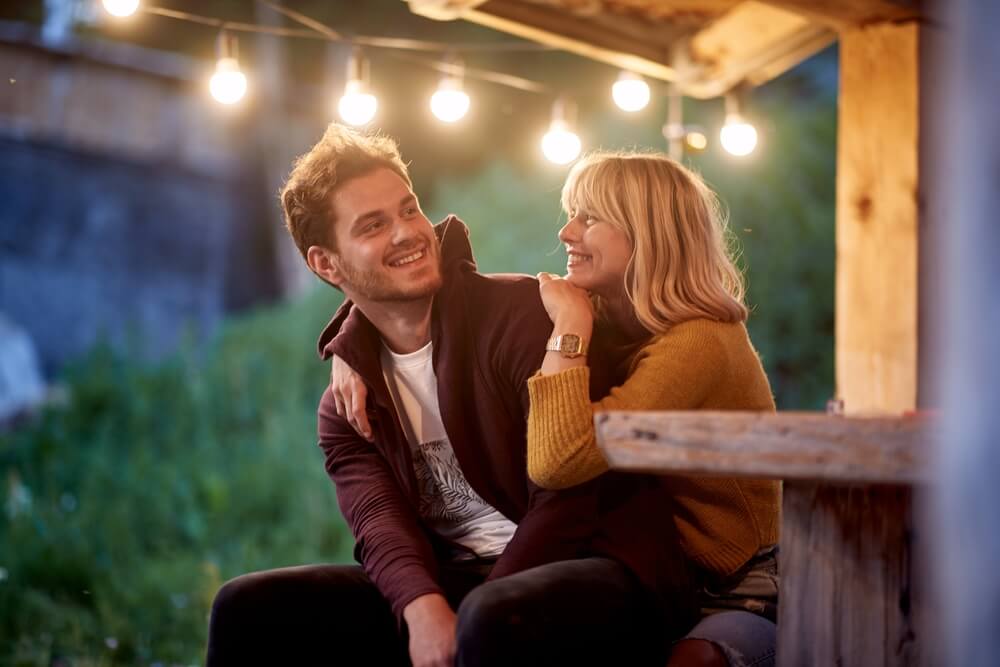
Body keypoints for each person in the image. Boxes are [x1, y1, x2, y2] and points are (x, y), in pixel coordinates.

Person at [205, 126, 695, 667]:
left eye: (408, 209)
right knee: (248, 608)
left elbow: (568, 501)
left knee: (493, 619)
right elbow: (379, 523)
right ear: (326, 264)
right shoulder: (345, 403)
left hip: (599, 567)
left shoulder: (526, 319)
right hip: (458, 581)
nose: (407, 232)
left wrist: (467, 621)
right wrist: (423, 608)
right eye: (373, 225)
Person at [526, 151, 781, 667]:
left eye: (589, 217)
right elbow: (472, 303)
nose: (566, 232)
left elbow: (559, 461)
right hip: (659, 573)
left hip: (740, 587)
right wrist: (354, 339)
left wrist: (570, 326)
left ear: (647, 234)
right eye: (571, 213)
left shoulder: (701, 341)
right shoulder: (610, 318)